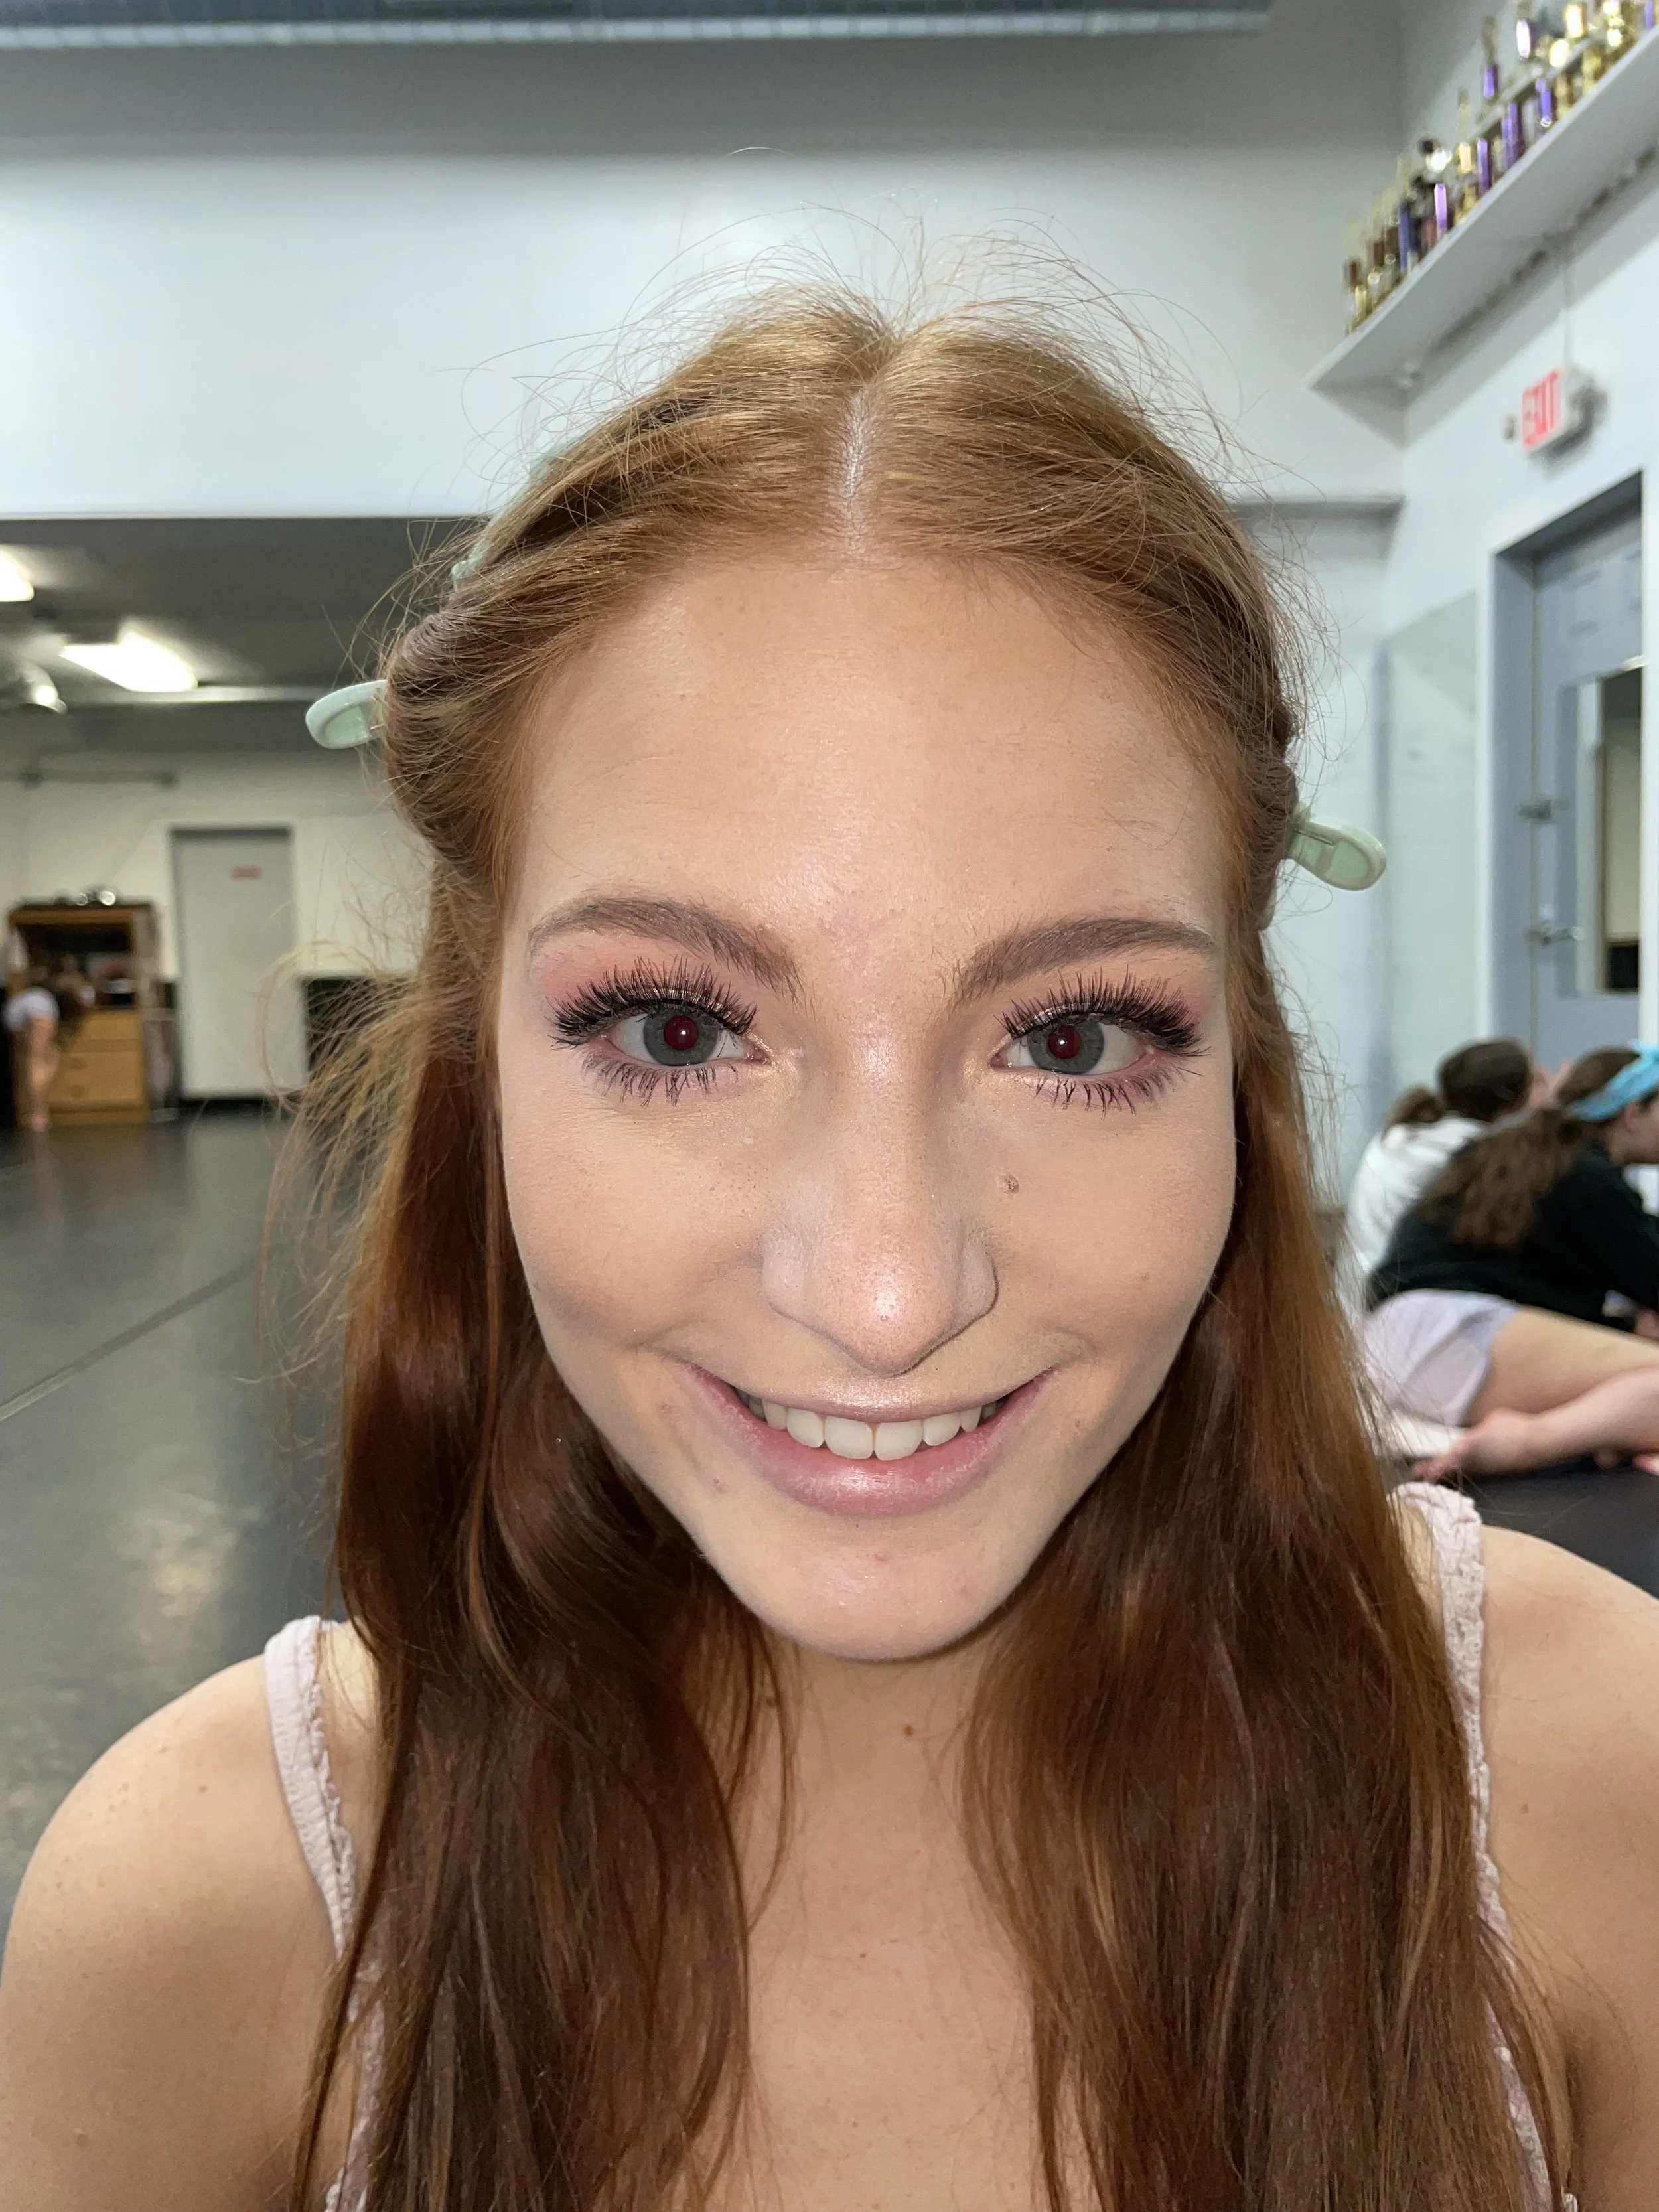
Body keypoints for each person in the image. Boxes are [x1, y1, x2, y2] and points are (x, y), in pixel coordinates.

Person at [5, 292, 1659, 2212]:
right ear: (475, 1066)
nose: (886, 1292)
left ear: (1241, 1070)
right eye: (678, 1028)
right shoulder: (209, 1915)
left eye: (1072, 1035)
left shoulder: (1583, 1783)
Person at [1367, 1045, 1659, 1478]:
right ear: (1634, 1113)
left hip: (1398, 1339)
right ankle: (1529, 1441)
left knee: (1627, 1388)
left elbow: (1529, 1279)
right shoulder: (1589, 1180)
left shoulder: (1517, 1154)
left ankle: (1609, 1428)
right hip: (1453, 1337)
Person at [1344, 1037, 1538, 1284]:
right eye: (1536, 1084)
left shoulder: (1406, 1131)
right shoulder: (1468, 1156)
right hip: (1397, 1299)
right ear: (1509, 1106)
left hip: (1358, 1293)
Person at [3, 968, 64, 1134]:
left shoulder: (26, 995)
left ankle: (35, 1110)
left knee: (34, 1060)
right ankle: (38, 1113)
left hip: (14, 1014)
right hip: (38, 1011)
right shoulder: (46, 1000)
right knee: (39, 1060)